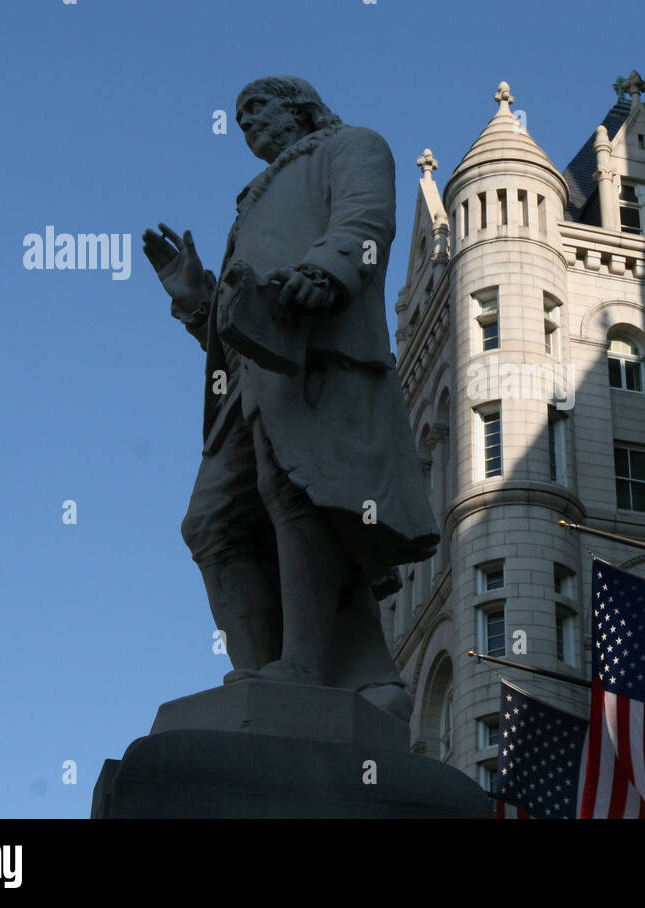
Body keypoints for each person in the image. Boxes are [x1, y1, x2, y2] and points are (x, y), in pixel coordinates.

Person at [141, 76, 437, 721]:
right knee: (212, 524)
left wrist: (324, 273)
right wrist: (195, 298)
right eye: (239, 117)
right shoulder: (253, 200)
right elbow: (240, 325)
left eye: (258, 109)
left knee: (300, 494)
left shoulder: (353, 145)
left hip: (320, 359)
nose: (247, 123)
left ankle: (303, 668)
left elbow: (365, 225)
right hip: (252, 383)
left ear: (300, 106)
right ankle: (263, 669)